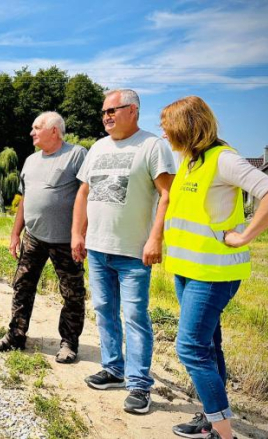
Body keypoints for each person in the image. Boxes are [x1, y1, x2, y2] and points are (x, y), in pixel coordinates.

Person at [161, 96, 268, 439]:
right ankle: (210, 416)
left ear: (186, 126)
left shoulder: (224, 159)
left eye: (167, 125)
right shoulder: (190, 160)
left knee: (190, 348)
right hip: (188, 269)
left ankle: (222, 432)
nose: (164, 132)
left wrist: (245, 236)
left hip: (214, 273)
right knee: (208, 346)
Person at [71, 89, 176, 414]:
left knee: (134, 317)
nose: (106, 116)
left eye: (112, 110)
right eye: (104, 111)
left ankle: (139, 385)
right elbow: (84, 192)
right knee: (104, 310)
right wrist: (77, 233)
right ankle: (114, 369)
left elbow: (167, 195)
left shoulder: (152, 146)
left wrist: (155, 238)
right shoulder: (99, 147)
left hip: (133, 252)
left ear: (133, 110)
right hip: (98, 249)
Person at [0, 112, 87, 363]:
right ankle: (16, 335)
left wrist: (80, 234)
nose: (32, 132)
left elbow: (86, 197)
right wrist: (15, 233)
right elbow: (25, 200)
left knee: (72, 292)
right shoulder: (31, 160)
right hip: (34, 236)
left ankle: (68, 342)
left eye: (37, 127)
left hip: (66, 239)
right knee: (22, 286)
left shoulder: (76, 155)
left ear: (54, 130)